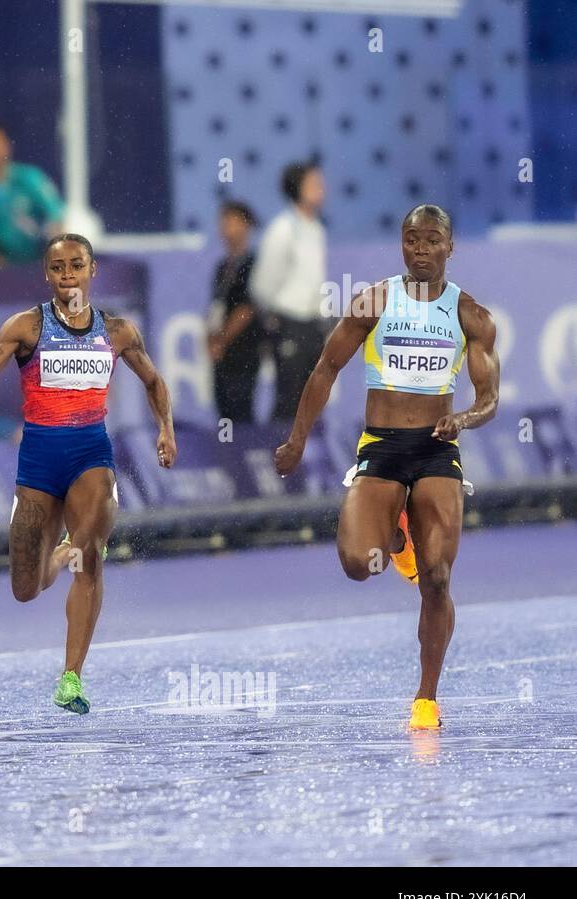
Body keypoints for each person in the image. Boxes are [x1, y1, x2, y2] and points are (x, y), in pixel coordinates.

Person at [273, 204, 500, 731]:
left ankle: (426, 699)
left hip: (436, 450)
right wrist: (297, 439)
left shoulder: (471, 316)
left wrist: (462, 417)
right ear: (401, 244)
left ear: (450, 247)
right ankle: (398, 540)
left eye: (432, 241)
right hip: (381, 446)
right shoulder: (374, 302)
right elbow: (326, 368)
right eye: (411, 240)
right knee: (357, 563)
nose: (420, 249)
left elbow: (489, 398)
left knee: (438, 578)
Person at [0, 234, 177, 714]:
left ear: (93, 270)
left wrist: (166, 430)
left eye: (77, 265)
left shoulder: (116, 332)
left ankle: (71, 677)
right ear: (48, 275)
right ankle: (57, 555)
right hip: (37, 460)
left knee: (91, 554)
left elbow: (154, 380)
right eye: (58, 268)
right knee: (25, 588)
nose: (68, 275)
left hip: (90, 453)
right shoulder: (28, 327)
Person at [250, 161, 328, 422]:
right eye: (313, 183)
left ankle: (310, 456)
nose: (321, 188)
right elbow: (262, 284)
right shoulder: (282, 230)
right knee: (289, 397)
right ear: (297, 188)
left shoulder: (316, 229)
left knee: (313, 395)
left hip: (313, 324)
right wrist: (275, 316)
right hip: (289, 323)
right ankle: (280, 457)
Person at [0, 125, 64, 265]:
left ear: (7, 146)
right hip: (4, 270)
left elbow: (55, 215)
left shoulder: (29, 178)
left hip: (40, 263)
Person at [206, 200, 262, 424]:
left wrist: (222, 339)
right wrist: (210, 340)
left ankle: (244, 456)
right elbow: (215, 308)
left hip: (243, 349)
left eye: (231, 221)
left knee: (241, 408)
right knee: (224, 407)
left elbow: (247, 308)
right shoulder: (223, 267)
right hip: (222, 353)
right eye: (223, 221)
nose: (225, 227)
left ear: (246, 225)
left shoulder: (253, 264)